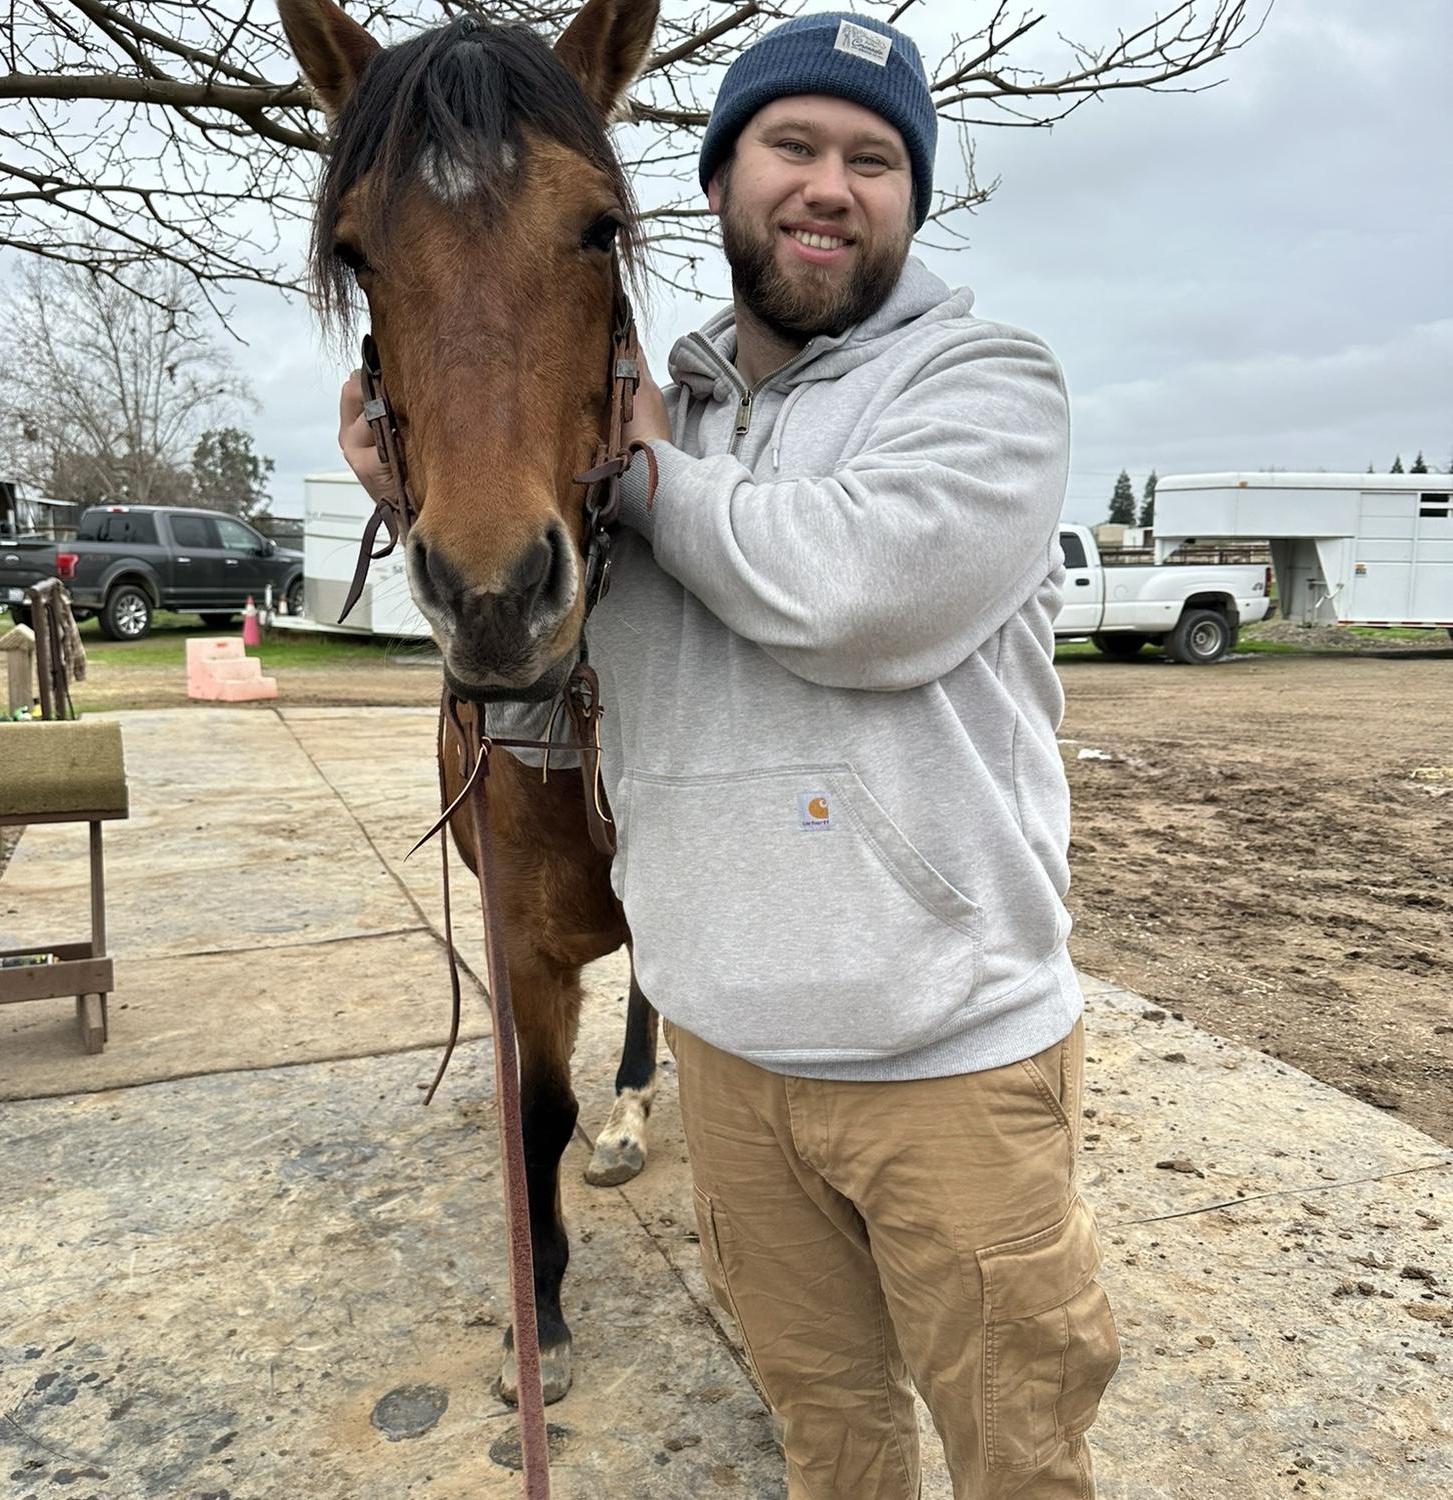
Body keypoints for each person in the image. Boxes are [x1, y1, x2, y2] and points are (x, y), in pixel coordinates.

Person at [339, 12, 1120, 1497]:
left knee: (1018, 1457)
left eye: (873, 159)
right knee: (828, 1446)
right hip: (731, 1063)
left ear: (910, 198)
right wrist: (448, 493)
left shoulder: (987, 386)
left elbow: (858, 597)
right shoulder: (639, 409)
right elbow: (553, 715)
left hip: (943, 1064)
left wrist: (637, 477)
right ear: (716, 181)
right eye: (793, 145)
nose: (830, 185)